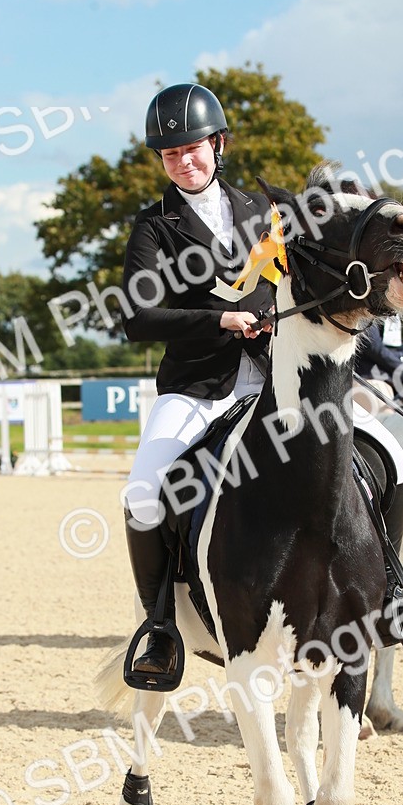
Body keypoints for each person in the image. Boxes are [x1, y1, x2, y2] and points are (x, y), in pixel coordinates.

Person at [120, 83, 274, 682]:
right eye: (170, 154)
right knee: (141, 493)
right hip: (195, 388)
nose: (183, 161)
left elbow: (288, 288)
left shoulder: (263, 216)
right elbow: (137, 316)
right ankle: (160, 625)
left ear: (218, 143)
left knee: (364, 450)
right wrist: (221, 320)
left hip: (269, 381)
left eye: (192, 148)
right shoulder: (154, 228)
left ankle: (386, 583)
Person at [354, 316, 403, 403]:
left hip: (395, 378)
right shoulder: (368, 315)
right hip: (373, 377)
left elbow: (399, 348)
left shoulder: (393, 315)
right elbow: (374, 347)